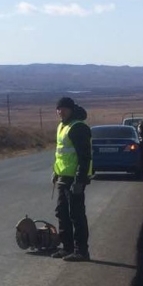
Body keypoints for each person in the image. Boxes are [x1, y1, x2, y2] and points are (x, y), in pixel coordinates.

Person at [50, 96, 92, 262]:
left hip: (75, 179)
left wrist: (79, 180)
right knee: (62, 213)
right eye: (59, 109)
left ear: (71, 109)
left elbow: (84, 157)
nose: (61, 111)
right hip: (63, 177)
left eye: (64, 108)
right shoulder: (62, 126)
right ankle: (67, 248)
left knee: (76, 215)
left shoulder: (78, 127)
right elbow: (61, 154)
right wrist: (56, 172)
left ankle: (81, 251)